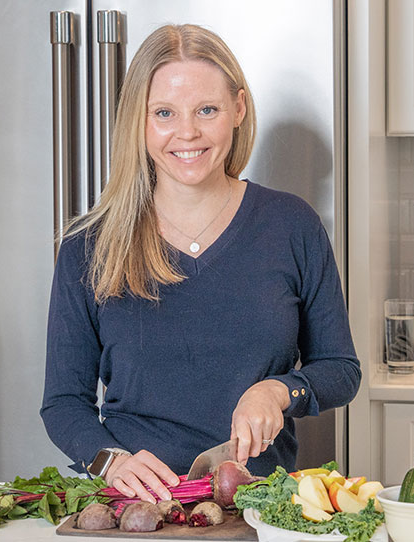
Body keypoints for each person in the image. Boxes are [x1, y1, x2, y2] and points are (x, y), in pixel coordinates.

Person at [40, 24, 360, 504]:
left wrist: (279, 390)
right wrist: (110, 459)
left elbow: (340, 369)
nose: (186, 132)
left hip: (258, 504)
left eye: (206, 110)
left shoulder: (292, 225)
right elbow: (64, 403)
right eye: (164, 113)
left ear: (238, 109)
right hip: (135, 509)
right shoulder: (89, 245)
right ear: (139, 121)